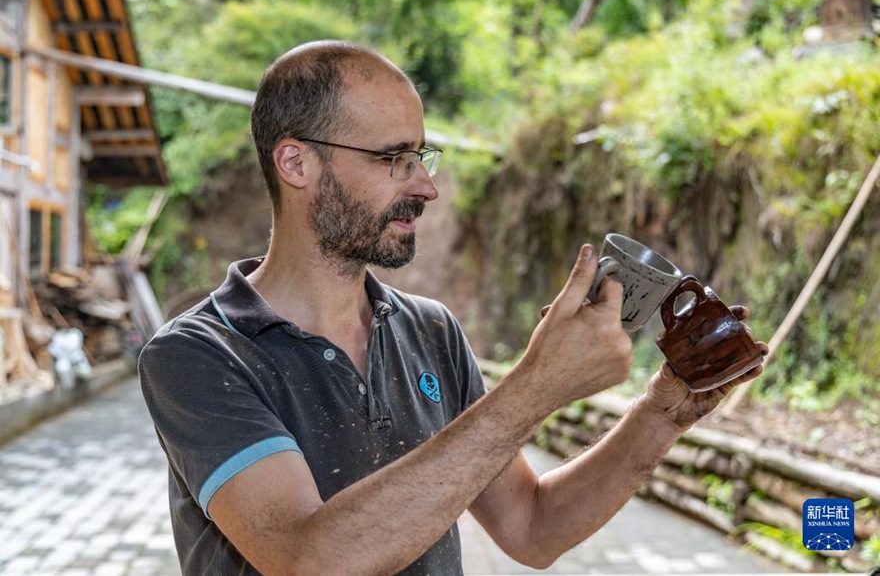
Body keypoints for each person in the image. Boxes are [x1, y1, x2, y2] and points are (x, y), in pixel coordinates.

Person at [138, 39, 767, 576]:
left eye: (421, 156)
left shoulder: (429, 329)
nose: (426, 186)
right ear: (296, 162)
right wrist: (535, 386)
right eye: (394, 160)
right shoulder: (195, 356)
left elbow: (531, 527)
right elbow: (310, 558)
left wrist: (662, 414)